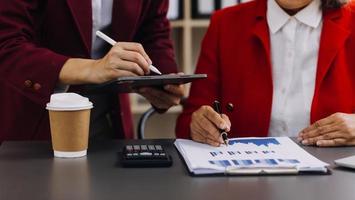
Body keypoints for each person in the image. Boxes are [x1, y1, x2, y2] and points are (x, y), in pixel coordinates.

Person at [176, 0, 355, 147]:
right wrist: (198, 126)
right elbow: (190, 120)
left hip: (335, 180)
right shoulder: (225, 23)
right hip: (245, 179)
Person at [0, 0, 184, 142]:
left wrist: (164, 82)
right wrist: (92, 68)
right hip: (34, 116)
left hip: (108, 119)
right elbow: (8, 45)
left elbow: (153, 31)